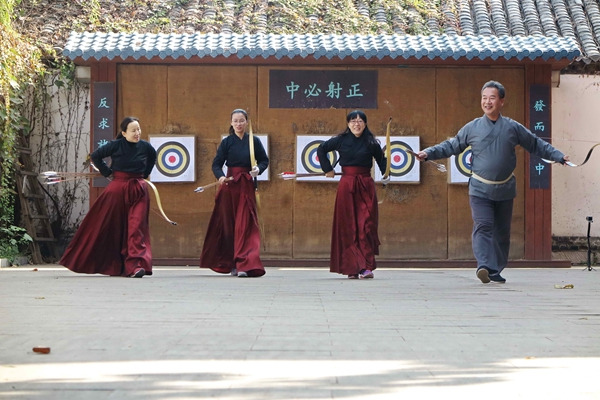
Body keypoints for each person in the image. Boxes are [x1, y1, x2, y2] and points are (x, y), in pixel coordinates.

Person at [416, 80, 569, 284]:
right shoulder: (472, 127)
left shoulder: (513, 128)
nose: (487, 102)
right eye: (484, 97)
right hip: (479, 188)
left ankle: (495, 269)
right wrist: (428, 153)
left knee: (501, 232)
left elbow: (535, 144)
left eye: (492, 97)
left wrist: (558, 156)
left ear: (502, 101)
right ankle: (484, 266)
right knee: (483, 225)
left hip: (505, 188)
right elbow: (452, 145)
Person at [60, 116, 157, 278]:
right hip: (117, 188)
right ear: (124, 133)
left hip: (139, 189)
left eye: (138, 129)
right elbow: (96, 156)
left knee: (136, 227)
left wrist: (144, 175)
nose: (137, 133)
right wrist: (108, 173)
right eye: (133, 130)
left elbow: (152, 160)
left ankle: (135, 265)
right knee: (111, 226)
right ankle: (114, 263)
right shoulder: (115, 145)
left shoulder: (146, 147)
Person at [317, 110, 388, 279]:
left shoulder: (372, 142)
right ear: (348, 124)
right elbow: (321, 149)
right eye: (353, 121)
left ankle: (365, 267)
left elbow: (382, 161)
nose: (357, 124)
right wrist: (327, 168)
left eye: (360, 121)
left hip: (365, 185)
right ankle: (351, 267)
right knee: (348, 226)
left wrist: (387, 173)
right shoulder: (340, 140)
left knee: (366, 225)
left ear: (365, 123)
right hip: (347, 186)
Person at [200, 109, 269, 278]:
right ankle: (231, 262)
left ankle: (244, 263)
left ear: (247, 122)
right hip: (229, 188)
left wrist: (257, 169)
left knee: (245, 225)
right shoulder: (227, 142)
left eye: (241, 120)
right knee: (229, 225)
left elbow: (264, 160)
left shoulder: (254, 141)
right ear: (231, 123)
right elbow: (216, 164)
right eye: (235, 121)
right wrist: (221, 176)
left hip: (246, 186)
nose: (238, 124)